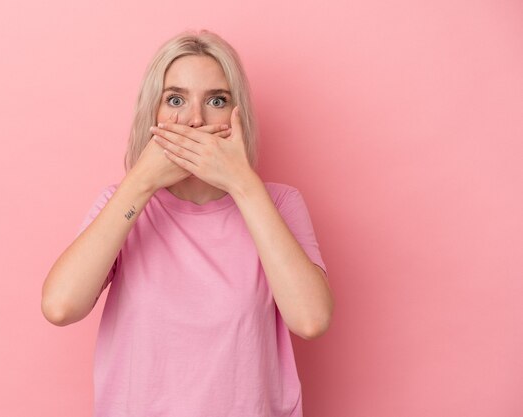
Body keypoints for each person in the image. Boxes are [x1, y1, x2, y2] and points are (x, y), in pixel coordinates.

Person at [41, 29, 334, 417]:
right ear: (154, 114)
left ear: (238, 114)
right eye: (176, 100)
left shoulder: (278, 203)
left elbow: (311, 319)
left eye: (216, 100)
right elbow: (61, 307)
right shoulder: (123, 203)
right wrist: (142, 182)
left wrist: (241, 183)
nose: (195, 120)